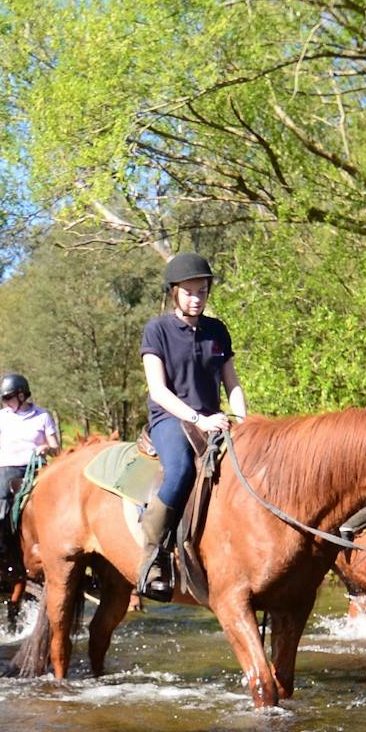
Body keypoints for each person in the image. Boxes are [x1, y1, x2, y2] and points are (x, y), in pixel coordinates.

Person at [139, 253, 246, 600]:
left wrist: (244, 422)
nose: (196, 298)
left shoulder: (217, 331)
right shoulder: (158, 330)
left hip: (214, 420)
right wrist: (197, 418)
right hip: (171, 418)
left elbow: (232, 383)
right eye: (188, 292)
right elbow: (158, 390)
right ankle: (153, 556)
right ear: (174, 293)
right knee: (181, 469)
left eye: (201, 291)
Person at [0, 374, 61, 556]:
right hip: (9, 467)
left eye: (8, 398)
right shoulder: (1, 417)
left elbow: (56, 448)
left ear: (22, 396)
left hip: (37, 467)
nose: (5, 402)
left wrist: (46, 448)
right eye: (3, 398)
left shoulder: (42, 416)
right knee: (4, 496)